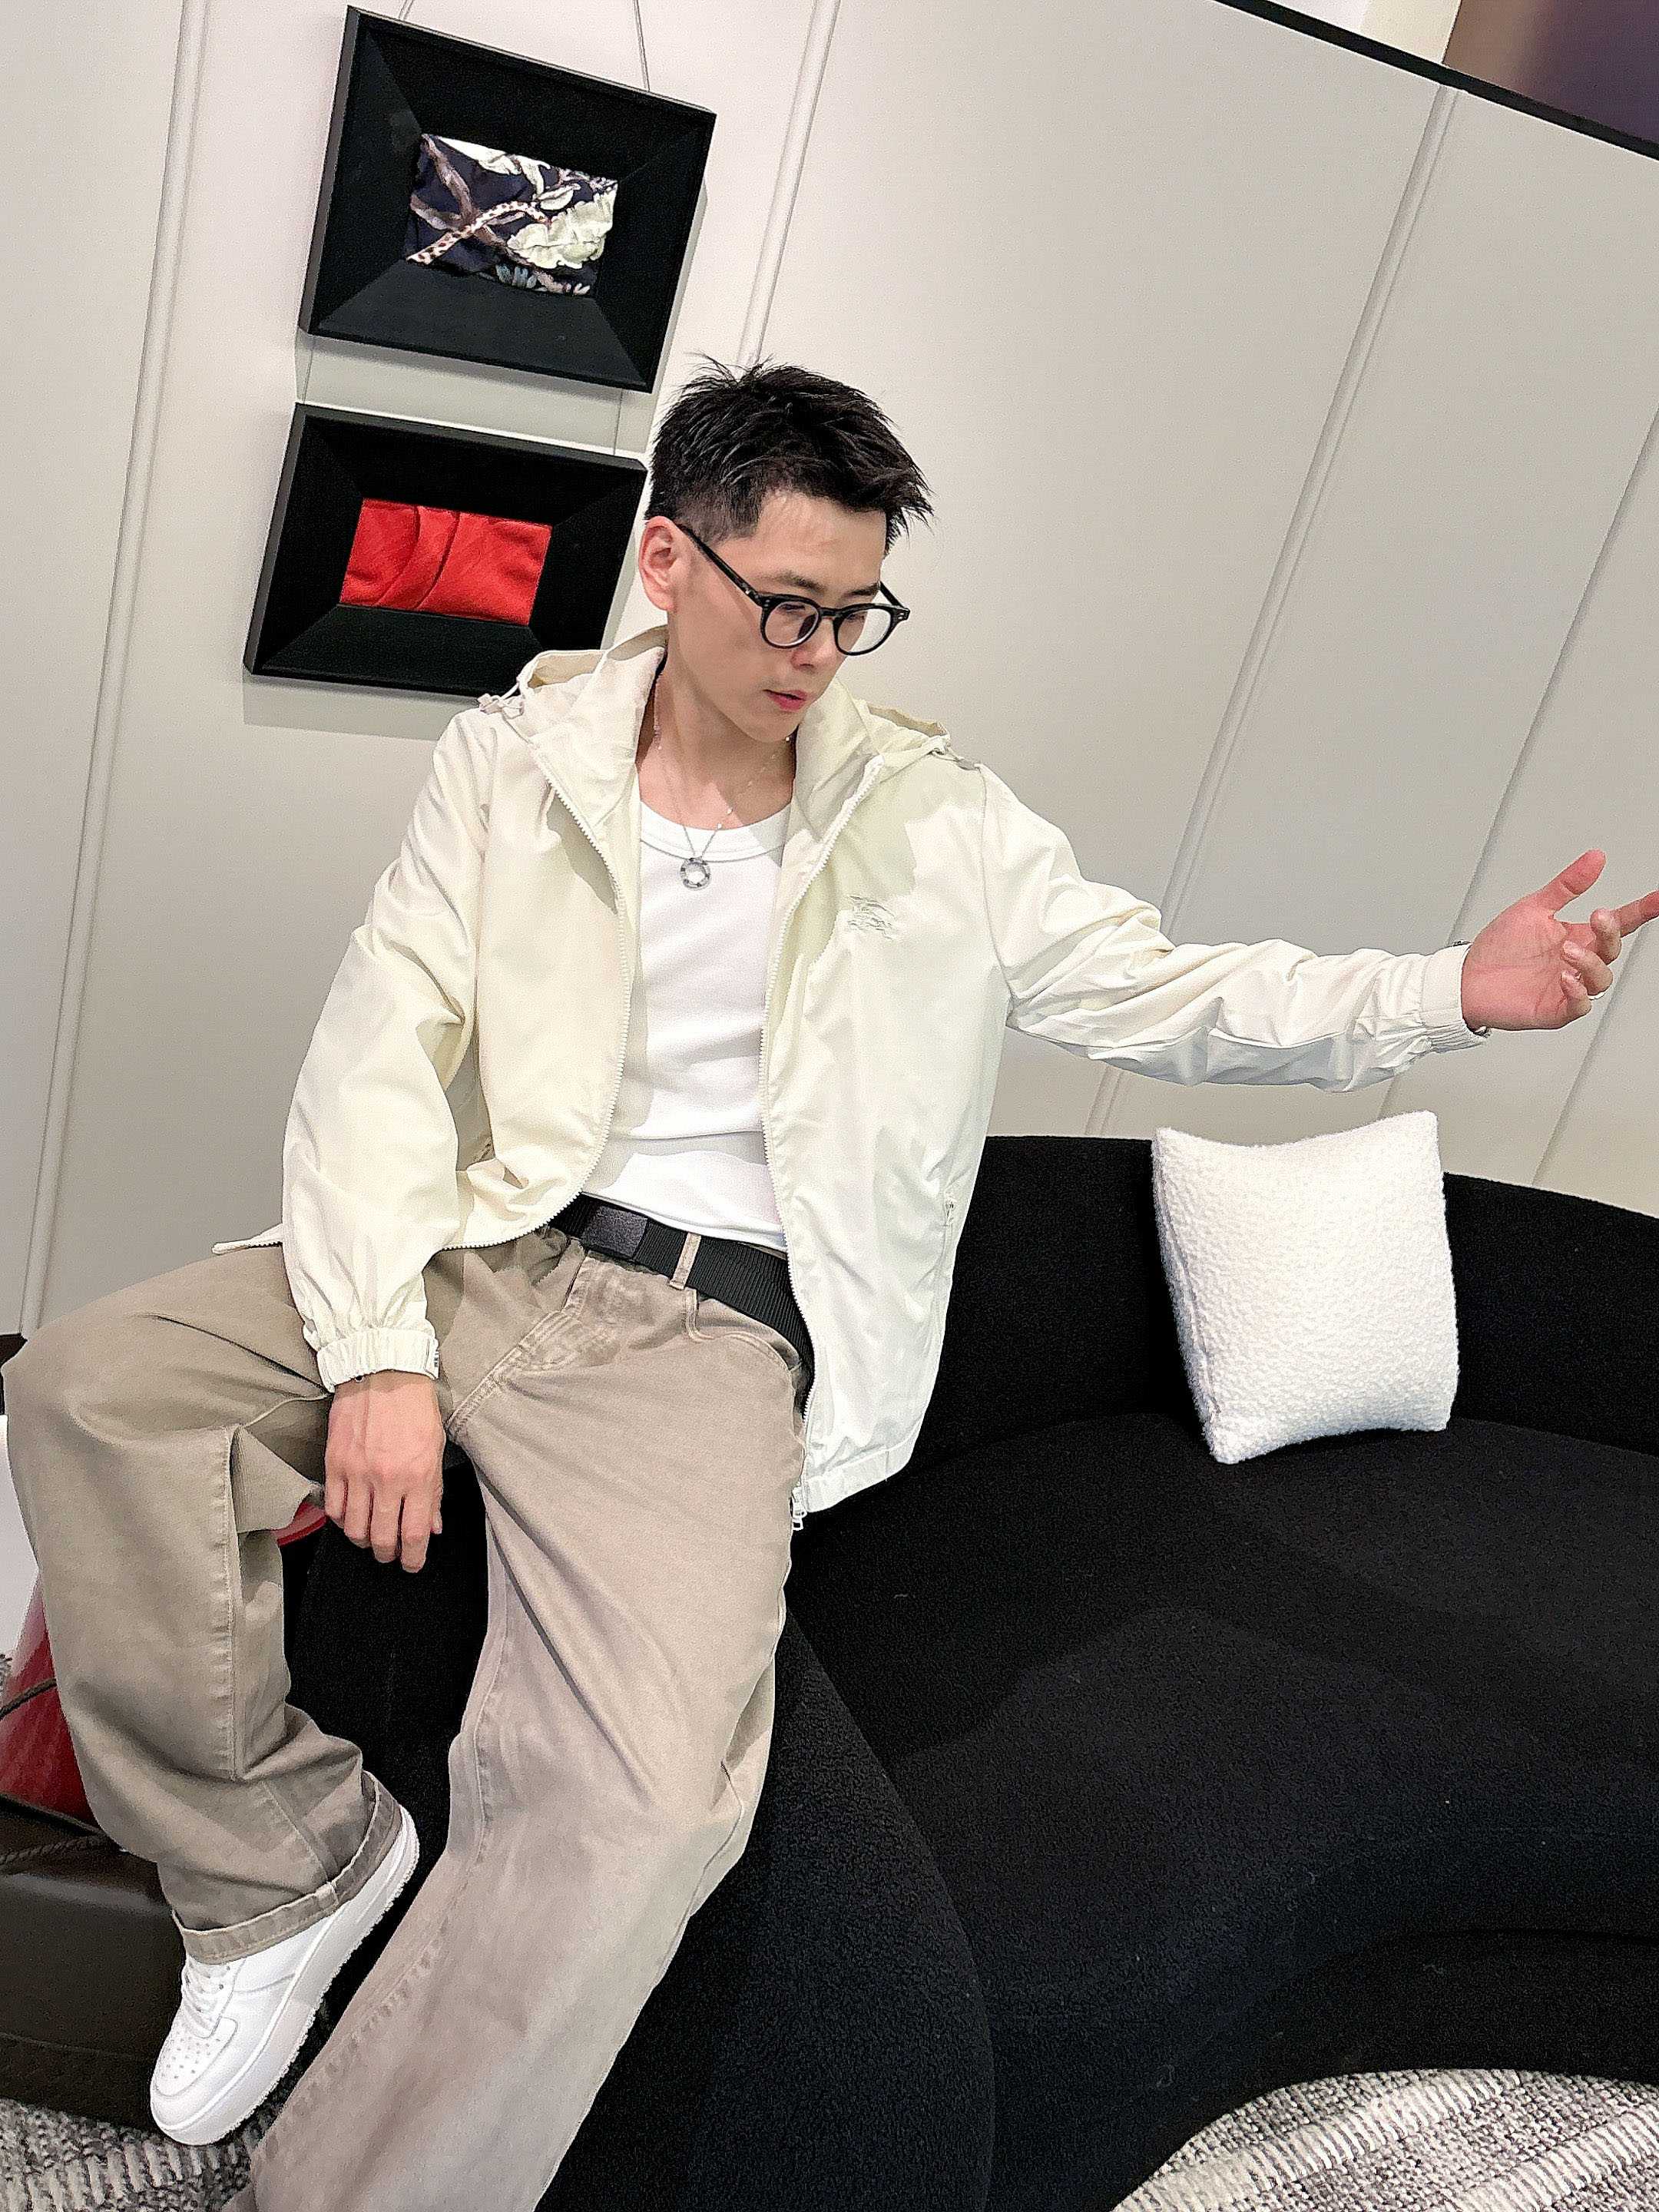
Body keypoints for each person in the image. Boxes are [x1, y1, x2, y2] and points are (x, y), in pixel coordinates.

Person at [3, 352, 1514, 2212]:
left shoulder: (934, 822)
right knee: (90, 1389)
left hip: (704, 1338)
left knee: (644, 1810)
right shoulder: (513, 763)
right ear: (668, 560)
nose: (818, 650)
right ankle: (282, 1863)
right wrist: (379, 1350)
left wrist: (1448, 993)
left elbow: (1171, 991)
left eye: (855, 610)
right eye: (786, 602)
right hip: (486, 1246)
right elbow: (379, 1060)